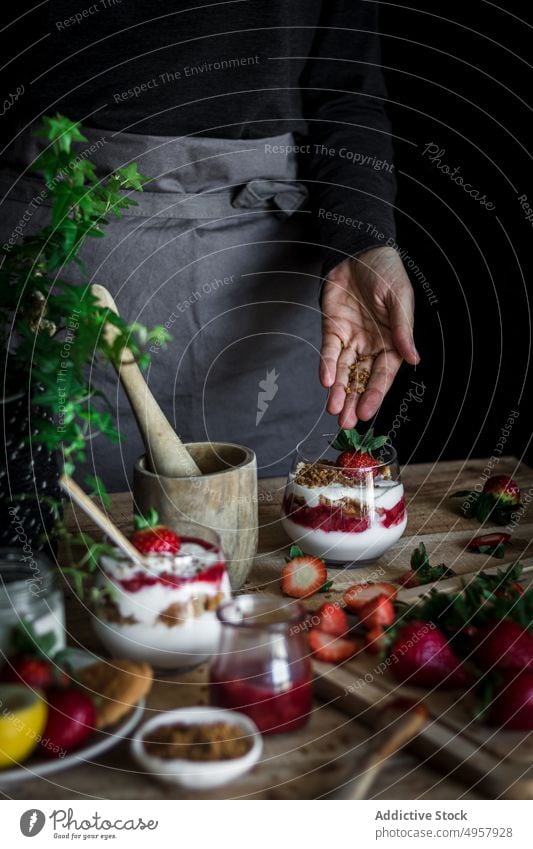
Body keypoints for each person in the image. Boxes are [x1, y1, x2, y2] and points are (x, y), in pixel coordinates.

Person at [0, 1, 418, 489]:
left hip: (264, 276)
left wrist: (362, 240)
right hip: (66, 240)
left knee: (271, 529)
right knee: (64, 538)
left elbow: (345, 94)